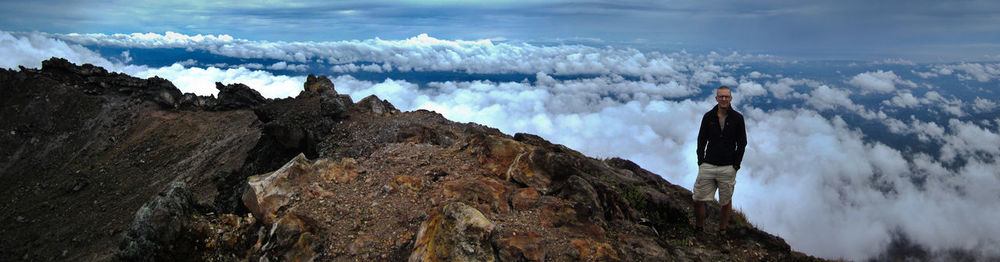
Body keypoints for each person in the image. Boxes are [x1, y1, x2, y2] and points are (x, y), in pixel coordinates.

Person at [693, 86, 747, 237]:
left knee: (725, 201)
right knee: (698, 199)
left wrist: (736, 165)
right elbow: (701, 140)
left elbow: (742, 143)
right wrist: (701, 161)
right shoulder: (708, 116)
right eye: (721, 96)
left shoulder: (737, 118)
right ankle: (699, 228)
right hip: (708, 164)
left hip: (728, 166)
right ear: (716, 98)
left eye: (726, 97)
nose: (724, 99)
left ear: (731, 98)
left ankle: (722, 230)